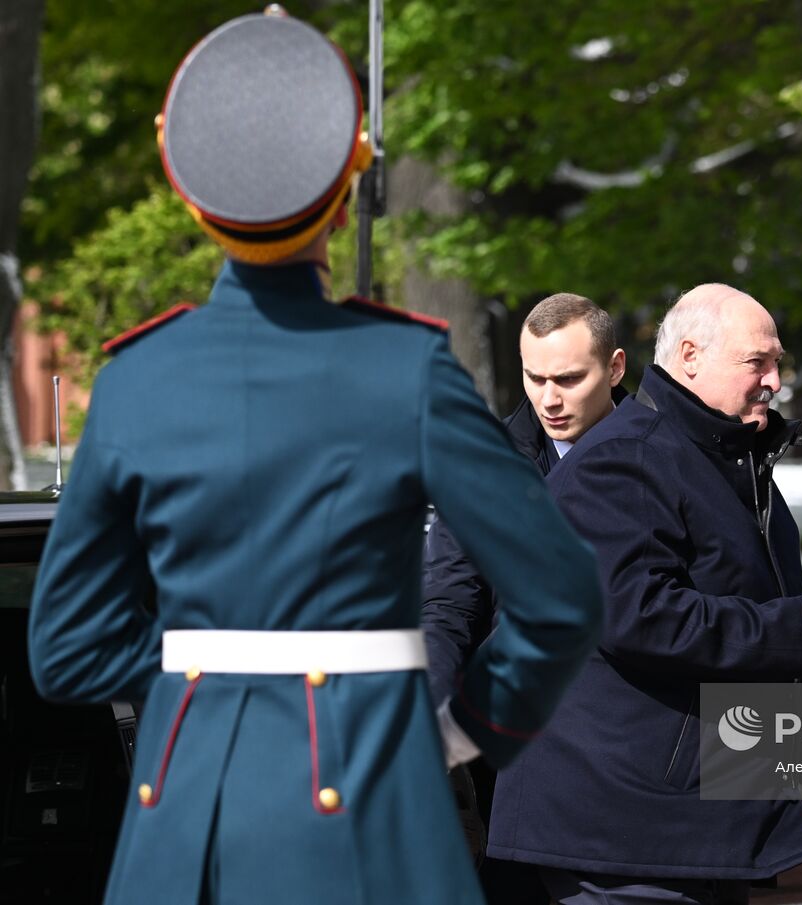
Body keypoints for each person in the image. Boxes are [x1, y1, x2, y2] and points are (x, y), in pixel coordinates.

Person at [26, 12, 602, 905]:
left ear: (189, 195)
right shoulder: (406, 368)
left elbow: (67, 645)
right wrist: (455, 732)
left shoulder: (136, 379)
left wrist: (202, 684)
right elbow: (560, 596)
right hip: (375, 801)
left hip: (188, 819)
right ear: (347, 186)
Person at [487, 282, 802, 905]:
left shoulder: (726, 463)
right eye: (756, 362)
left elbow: (776, 634)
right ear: (690, 357)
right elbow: (636, 615)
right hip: (622, 834)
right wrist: (798, 633)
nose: (774, 380)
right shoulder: (624, 458)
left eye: (776, 361)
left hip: (694, 827)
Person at [420, 292, 626, 895]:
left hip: (643, 782)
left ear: (615, 368)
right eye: (536, 379)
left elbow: (741, 610)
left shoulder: (674, 457)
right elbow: (447, 606)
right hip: (516, 783)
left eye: (569, 379)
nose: (549, 399)